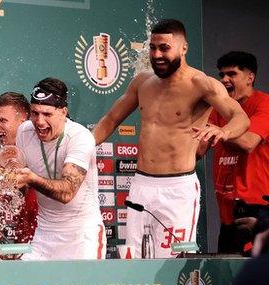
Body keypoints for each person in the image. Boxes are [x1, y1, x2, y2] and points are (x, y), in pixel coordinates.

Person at [91, 19, 250, 258]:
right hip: (141, 185)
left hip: (177, 189)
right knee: (133, 258)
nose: (157, 54)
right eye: (153, 47)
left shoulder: (202, 84)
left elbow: (240, 117)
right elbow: (110, 120)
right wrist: (80, 149)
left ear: (183, 48)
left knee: (172, 261)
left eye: (164, 48)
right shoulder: (142, 82)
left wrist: (223, 131)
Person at [14, 77, 105, 260]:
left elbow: (67, 193)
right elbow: (18, 179)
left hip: (82, 234)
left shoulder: (80, 137)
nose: (39, 122)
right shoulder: (24, 132)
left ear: (63, 112)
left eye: (47, 114)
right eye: (34, 113)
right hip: (45, 233)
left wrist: (31, 179)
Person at [198, 51, 269, 254]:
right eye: (221, 75)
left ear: (250, 77)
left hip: (258, 211)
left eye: (231, 74)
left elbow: (248, 142)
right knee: (226, 279)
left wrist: (221, 131)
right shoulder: (219, 108)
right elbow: (198, 151)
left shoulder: (264, 104)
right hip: (227, 211)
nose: (224, 80)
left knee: (255, 280)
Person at [0, 92, 37, 243]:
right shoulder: (0, 160)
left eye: (3, 120)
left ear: (24, 123)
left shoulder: (43, 157)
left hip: (43, 244)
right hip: (12, 247)